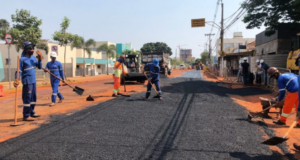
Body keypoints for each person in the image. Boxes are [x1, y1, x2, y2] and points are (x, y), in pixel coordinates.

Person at [14, 41, 42, 121]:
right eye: (30, 48)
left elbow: (39, 67)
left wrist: (40, 59)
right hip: (27, 81)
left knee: (33, 97)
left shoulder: (33, 58)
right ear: (26, 49)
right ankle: (26, 115)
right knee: (27, 97)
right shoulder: (22, 59)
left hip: (33, 81)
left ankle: (32, 112)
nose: (32, 50)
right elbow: (19, 71)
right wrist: (17, 78)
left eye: (33, 48)